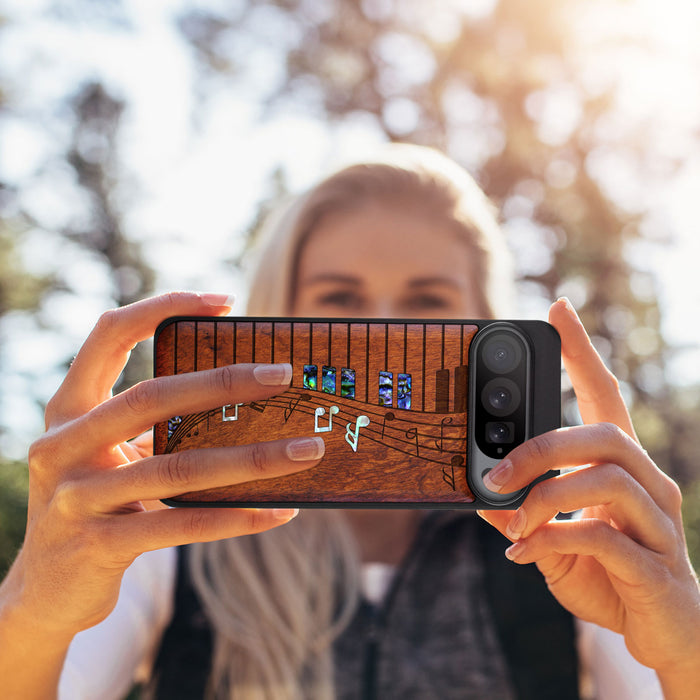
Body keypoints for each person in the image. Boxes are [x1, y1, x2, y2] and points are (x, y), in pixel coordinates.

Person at [0, 145, 698, 700]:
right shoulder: (170, 534)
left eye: (428, 302)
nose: (384, 328)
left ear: (487, 322)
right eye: (340, 299)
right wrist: (34, 607)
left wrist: (685, 648)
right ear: (278, 315)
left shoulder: (567, 542)